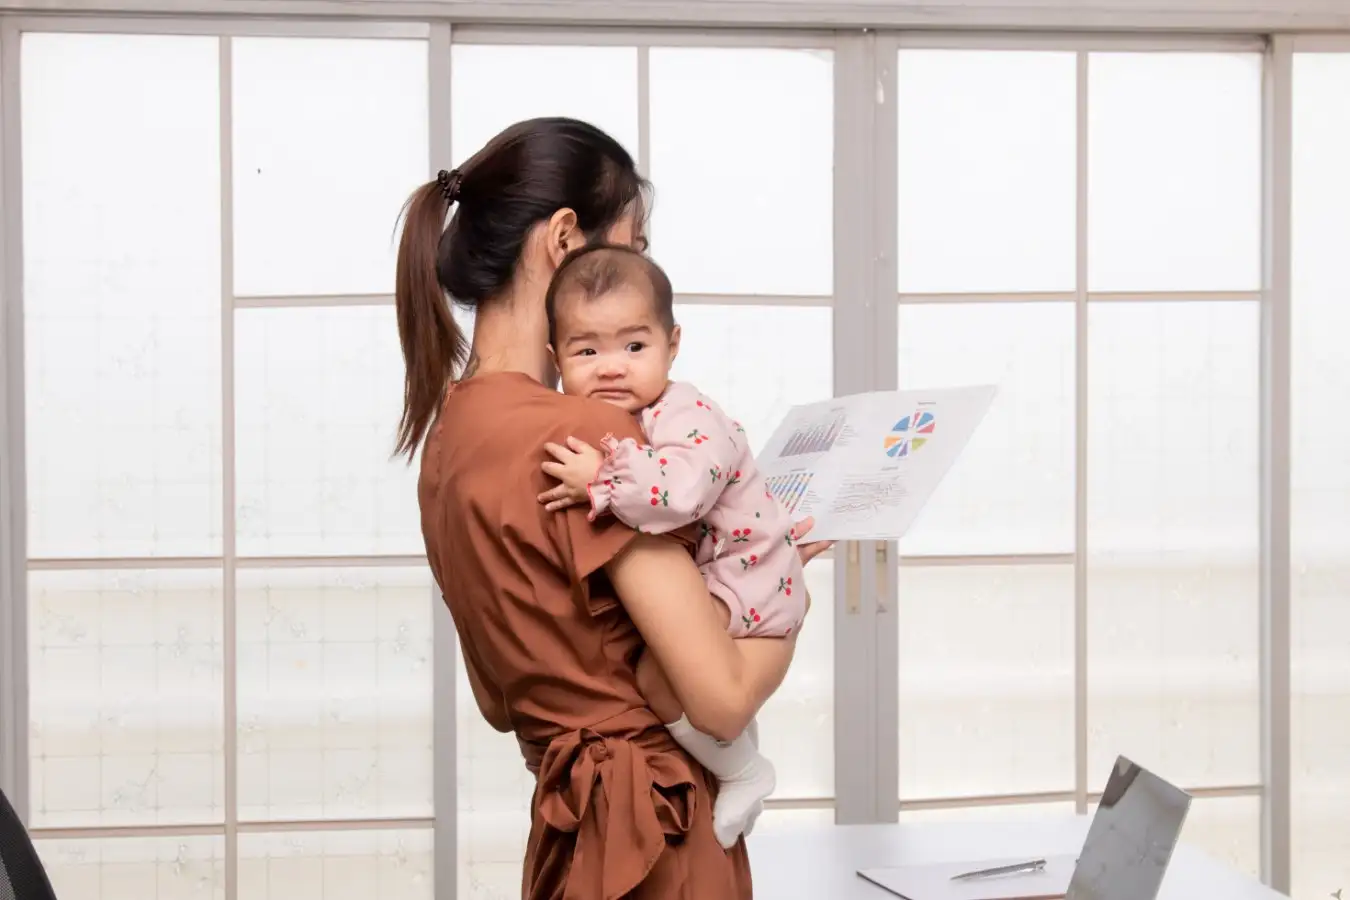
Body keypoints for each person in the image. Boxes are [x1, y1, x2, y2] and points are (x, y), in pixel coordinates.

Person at [394, 116, 831, 900]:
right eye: (635, 247)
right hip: (657, 834)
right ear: (565, 239)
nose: (642, 271)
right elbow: (723, 699)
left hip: (568, 837)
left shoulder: (448, 439)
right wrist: (783, 567)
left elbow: (501, 703)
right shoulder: (592, 436)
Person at [533, 243, 804, 849]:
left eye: (635, 346)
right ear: (555, 358)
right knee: (661, 674)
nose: (611, 367)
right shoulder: (630, 418)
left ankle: (743, 771)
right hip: (732, 578)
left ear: (672, 345)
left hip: (752, 587)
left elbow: (681, 493)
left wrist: (598, 481)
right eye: (587, 350)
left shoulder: (688, 413)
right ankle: (740, 763)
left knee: (668, 680)